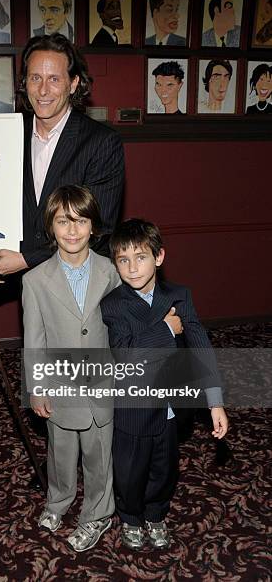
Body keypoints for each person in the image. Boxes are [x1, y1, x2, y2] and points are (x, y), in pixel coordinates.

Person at [101, 218, 228, 550]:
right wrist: (168, 330)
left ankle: (156, 514)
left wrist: (214, 401)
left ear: (159, 257)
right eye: (123, 260)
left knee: (164, 468)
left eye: (140, 257)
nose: (132, 267)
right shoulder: (113, 304)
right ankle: (130, 517)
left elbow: (201, 346)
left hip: (171, 407)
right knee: (129, 471)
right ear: (115, 264)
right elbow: (126, 354)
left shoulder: (179, 295)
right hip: (133, 405)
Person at [23, 185, 120, 552]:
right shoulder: (35, 281)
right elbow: (34, 339)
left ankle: (97, 513)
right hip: (59, 386)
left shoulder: (111, 272)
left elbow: (122, 327)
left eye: (81, 221)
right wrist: (38, 386)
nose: (73, 230)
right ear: (51, 226)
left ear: (93, 226)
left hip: (100, 385)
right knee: (60, 453)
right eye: (64, 221)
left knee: (99, 456)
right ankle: (58, 501)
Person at [0, 33, 125, 276]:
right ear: (24, 82)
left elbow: (99, 229)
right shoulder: (5, 136)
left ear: (73, 84)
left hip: (76, 282)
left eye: (54, 79)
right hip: (21, 282)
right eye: (35, 77)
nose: (43, 90)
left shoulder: (102, 143)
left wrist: (28, 259)